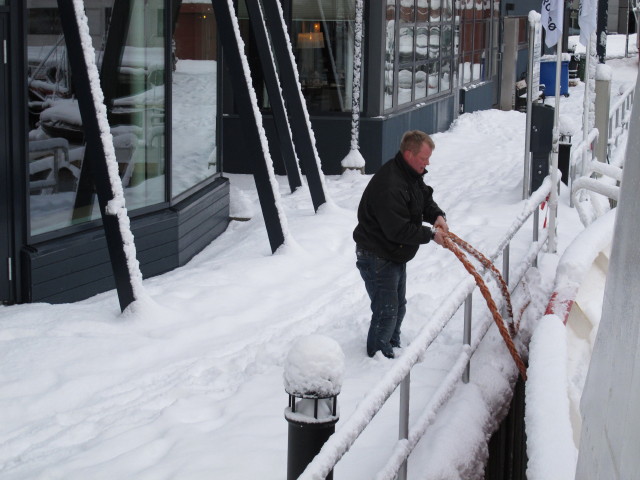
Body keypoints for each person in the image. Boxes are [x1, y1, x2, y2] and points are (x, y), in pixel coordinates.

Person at [353, 130, 448, 358]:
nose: (427, 164)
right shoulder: (390, 184)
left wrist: (437, 216)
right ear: (409, 154)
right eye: (424, 158)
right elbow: (397, 229)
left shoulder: (411, 174)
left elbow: (423, 197)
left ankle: (392, 347)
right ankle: (378, 356)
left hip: (394, 253)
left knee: (398, 306)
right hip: (377, 254)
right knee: (386, 310)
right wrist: (431, 235)